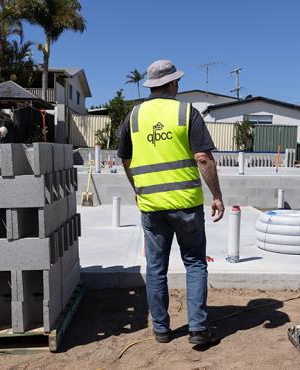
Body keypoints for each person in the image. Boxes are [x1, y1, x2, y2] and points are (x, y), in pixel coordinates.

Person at [117, 60, 224, 346]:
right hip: (186, 204)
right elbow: (203, 158)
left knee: (155, 268)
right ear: (174, 83)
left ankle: (162, 331)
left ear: (151, 85)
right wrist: (216, 195)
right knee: (195, 264)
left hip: (151, 206)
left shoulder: (134, 116)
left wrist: (138, 190)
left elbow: (125, 160)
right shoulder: (187, 112)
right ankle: (198, 330)